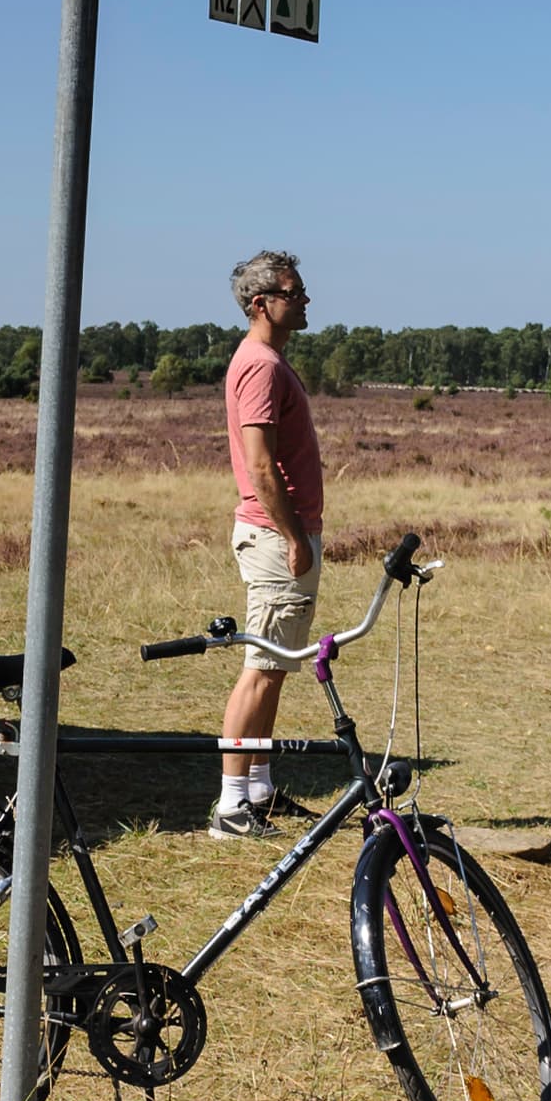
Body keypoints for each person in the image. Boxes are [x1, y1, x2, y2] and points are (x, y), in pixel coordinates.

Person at [215, 250, 324, 838]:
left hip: (283, 534)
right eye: (294, 291)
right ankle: (232, 806)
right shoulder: (260, 365)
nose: (305, 299)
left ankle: (258, 789)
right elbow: (260, 466)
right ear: (261, 304)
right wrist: (292, 536)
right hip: (274, 535)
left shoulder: (269, 361)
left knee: (276, 666)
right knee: (260, 668)